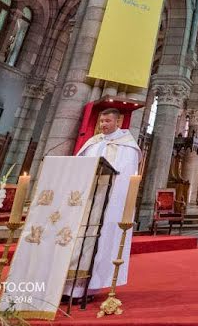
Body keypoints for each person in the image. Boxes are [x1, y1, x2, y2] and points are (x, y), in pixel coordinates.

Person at [66, 108, 142, 299]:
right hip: (86, 199)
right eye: (101, 121)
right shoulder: (92, 142)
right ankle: (67, 287)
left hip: (107, 204)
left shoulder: (128, 147)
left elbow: (125, 178)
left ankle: (90, 287)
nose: (103, 125)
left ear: (119, 122)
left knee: (99, 241)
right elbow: (77, 166)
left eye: (108, 121)